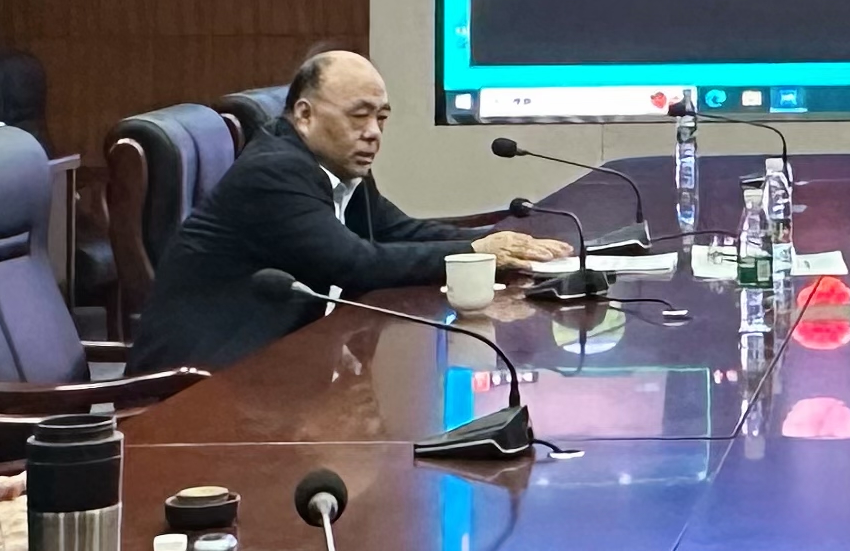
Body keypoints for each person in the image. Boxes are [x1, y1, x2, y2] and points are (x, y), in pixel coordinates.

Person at [128, 48, 571, 372]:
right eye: (359, 116)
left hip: (273, 364)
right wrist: (475, 252)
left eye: (382, 117)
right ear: (304, 115)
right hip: (198, 381)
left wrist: (492, 245)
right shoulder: (274, 173)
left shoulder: (336, 165)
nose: (373, 132)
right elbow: (355, 263)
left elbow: (398, 231)